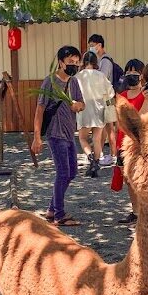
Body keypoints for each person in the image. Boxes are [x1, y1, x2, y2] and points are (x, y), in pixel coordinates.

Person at [32, 46, 85, 226]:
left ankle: (52, 209)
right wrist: (37, 137)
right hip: (55, 133)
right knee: (63, 172)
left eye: (77, 62)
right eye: (70, 62)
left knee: (72, 172)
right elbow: (40, 110)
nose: (74, 65)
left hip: (70, 133)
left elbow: (82, 103)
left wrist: (78, 105)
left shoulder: (74, 82)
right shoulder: (50, 82)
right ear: (61, 62)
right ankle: (59, 215)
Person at [114, 59, 146, 228]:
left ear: (141, 75)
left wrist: (147, 100)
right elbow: (118, 119)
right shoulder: (123, 96)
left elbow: (140, 120)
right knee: (127, 179)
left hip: (138, 143)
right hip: (122, 140)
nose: (132, 76)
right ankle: (135, 211)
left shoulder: (145, 95)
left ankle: (143, 213)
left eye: (135, 73)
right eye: (129, 72)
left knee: (139, 179)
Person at [76, 51, 116, 178]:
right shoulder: (101, 76)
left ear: (83, 62)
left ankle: (90, 157)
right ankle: (96, 163)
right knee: (97, 139)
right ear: (95, 62)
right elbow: (110, 93)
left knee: (82, 138)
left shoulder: (78, 76)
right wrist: (110, 106)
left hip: (84, 110)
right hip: (99, 109)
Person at [87, 34, 120, 166]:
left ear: (99, 45)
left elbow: (103, 79)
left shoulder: (105, 61)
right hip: (106, 98)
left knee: (108, 127)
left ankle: (112, 155)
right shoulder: (102, 60)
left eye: (92, 46)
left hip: (107, 98)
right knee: (105, 128)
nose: (91, 48)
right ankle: (100, 155)